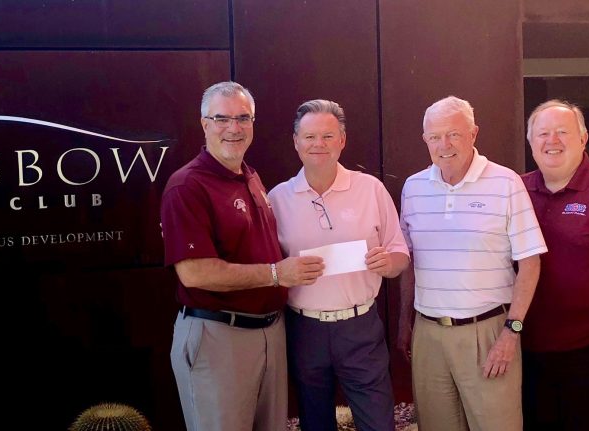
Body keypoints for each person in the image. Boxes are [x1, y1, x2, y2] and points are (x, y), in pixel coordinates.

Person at [160, 81, 325, 431]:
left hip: (269, 333)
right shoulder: (187, 186)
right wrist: (277, 274)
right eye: (222, 118)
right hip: (219, 336)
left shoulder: (250, 177)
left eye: (243, 118)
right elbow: (195, 274)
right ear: (204, 123)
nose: (233, 128)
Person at [397, 96, 547, 431]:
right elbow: (410, 262)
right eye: (434, 136)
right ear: (425, 140)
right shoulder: (413, 187)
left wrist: (512, 332)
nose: (444, 145)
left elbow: (531, 262)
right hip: (429, 334)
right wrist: (404, 322)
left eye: (454, 134)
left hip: (489, 334)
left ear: (474, 133)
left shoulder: (506, 183)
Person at [268, 99, 409, 431]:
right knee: (315, 422)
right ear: (296, 142)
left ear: (342, 141)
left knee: (378, 422)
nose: (319, 144)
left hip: (359, 327)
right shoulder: (276, 199)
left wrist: (388, 263)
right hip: (304, 329)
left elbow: (400, 254)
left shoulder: (371, 189)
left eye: (328, 136)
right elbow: (266, 263)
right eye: (310, 136)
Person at [520, 100, 589, 430]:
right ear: (530, 142)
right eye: (542, 133)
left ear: (583, 138)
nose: (552, 141)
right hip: (526, 352)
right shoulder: (516, 190)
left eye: (562, 132)